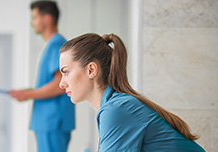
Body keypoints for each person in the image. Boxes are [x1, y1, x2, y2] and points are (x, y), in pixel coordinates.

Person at [58, 33, 205, 152]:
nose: (61, 83)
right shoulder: (115, 107)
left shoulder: (116, 110)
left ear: (91, 70)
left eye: (66, 72)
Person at [9, 1, 75, 152]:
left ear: (47, 19)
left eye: (35, 18)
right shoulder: (53, 44)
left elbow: (60, 84)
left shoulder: (56, 44)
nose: (32, 23)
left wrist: (28, 94)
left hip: (51, 120)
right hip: (50, 121)